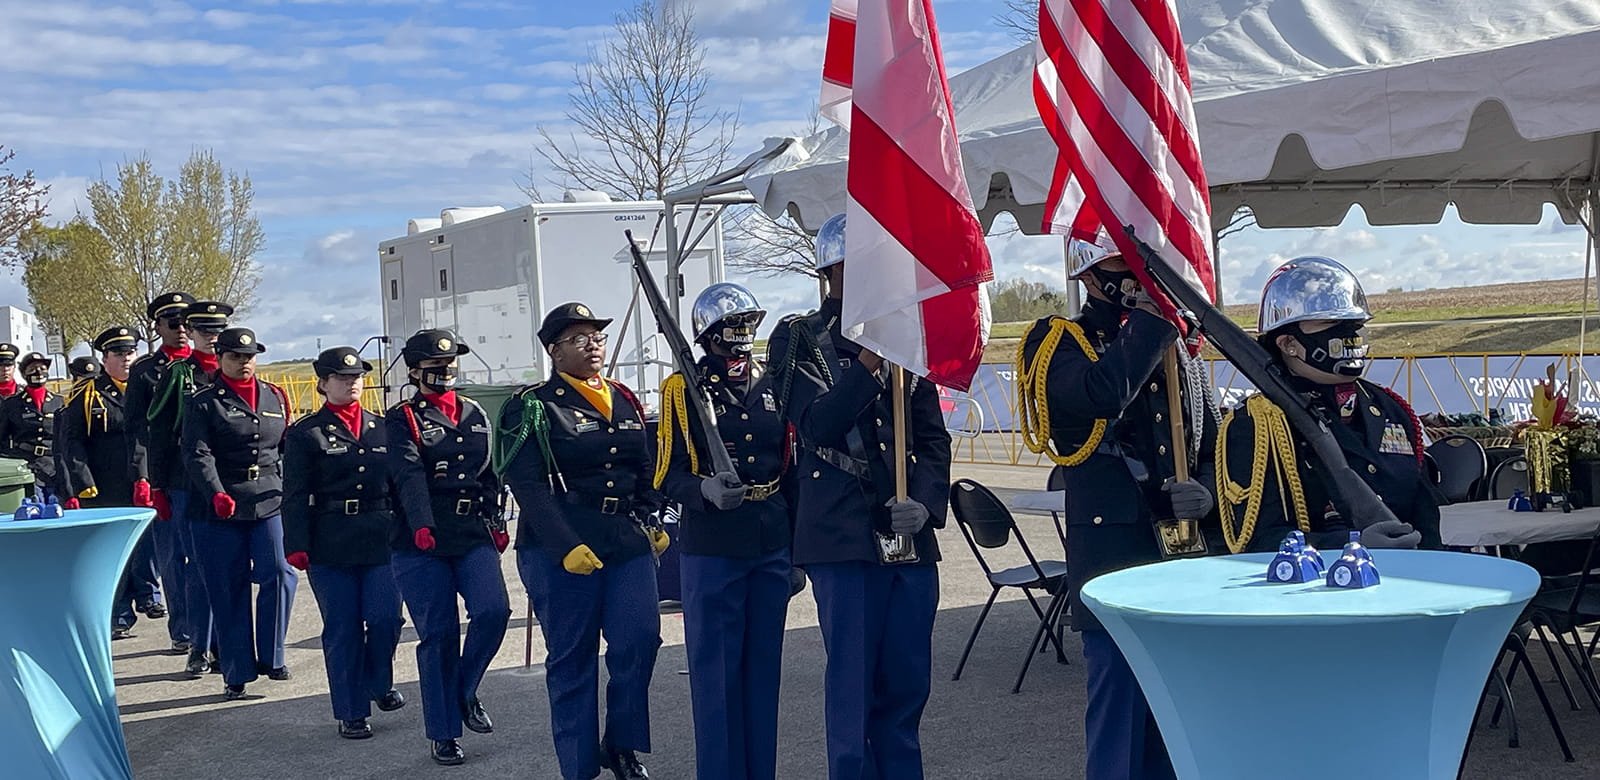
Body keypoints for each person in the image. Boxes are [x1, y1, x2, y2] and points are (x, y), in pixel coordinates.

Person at [1015, 240, 1220, 780]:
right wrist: (1152, 326)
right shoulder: (1061, 340)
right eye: (1121, 265)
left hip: (1179, 553)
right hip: (1114, 554)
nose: (1136, 275)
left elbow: (1209, 439)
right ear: (1087, 273)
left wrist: (1205, 490)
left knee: (1178, 717)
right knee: (1120, 720)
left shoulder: (1176, 347)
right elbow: (1102, 394)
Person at [765, 214, 950, 780]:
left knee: (907, 685)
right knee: (853, 689)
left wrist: (924, 501)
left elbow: (932, 438)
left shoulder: (906, 342)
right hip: (842, 537)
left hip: (907, 538)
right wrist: (870, 361)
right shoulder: (798, 338)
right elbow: (818, 424)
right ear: (834, 271)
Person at [499, 303, 666, 780]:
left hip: (624, 539)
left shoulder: (625, 398)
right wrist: (563, 544)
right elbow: (525, 483)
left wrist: (652, 516)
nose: (592, 344)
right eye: (578, 339)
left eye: (596, 336)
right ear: (554, 351)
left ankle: (622, 744)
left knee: (639, 641)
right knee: (572, 660)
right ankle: (577, 765)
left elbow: (644, 467)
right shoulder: (532, 405)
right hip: (561, 545)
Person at [653, 283, 793, 780]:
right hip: (712, 548)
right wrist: (703, 489)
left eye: (748, 330)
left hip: (769, 539)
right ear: (708, 337)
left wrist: (795, 550)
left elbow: (789, 466)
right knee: (716, 681)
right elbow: (665, 474)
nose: (742, 341)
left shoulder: (774, 381)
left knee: (762, 674)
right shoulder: (684, 390)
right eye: (731, 332)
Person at [1216, 256, 1437, 553]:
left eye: (1355, 323)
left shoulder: (1390, 409)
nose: (1350, 334)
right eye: (1332, 323)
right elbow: (1258, 541)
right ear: (1287, 343)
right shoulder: (1257, 424)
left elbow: (1426, 518)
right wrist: (1351, 544)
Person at [387, 328, 509, 766]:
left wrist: (496, 520)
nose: (446, 371)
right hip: (421, 537)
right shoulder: (403, 417)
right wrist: (420, 523)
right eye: (436, 367)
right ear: (416, 372)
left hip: (471, 529)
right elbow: (407, 475)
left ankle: (463, 689)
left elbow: (489, 472)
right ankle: (443, 732)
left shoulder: (474, 412)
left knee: (494, 611)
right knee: (438, 633)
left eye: (452, 363)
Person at [284, 346, 407, 740]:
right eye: (341, 377)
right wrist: (296, 542)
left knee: (387, 619)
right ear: (323, 384)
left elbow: (401, 486)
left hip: (381, 538)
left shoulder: (384, 427)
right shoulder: (306, 433)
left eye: (356, 376)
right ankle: (351, 711)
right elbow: (295, 493)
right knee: (343, 627)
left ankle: (378, 682)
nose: (352, 382)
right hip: (330, 541)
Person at [181, 327, 297, 700]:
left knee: (279, 572)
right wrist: (215, 492)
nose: (243, 363)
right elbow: (197, 453)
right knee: (227, 588)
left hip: (268, 500)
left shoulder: (275, 395)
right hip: (220, 508)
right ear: (221, 359)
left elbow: (284, 446)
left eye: (249, 356)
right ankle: (235, 670)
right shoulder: (203, 402)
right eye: (235, 356)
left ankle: (273, 656)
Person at [61, 327, 163, 638]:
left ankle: (149, 595)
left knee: (146, 544)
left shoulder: (147, 388)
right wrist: (81, 482)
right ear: (105, 360)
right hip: (103, 484)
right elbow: (72, 441)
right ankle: (120, 612)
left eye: (130, 352)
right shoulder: (87, 394)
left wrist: (151, 476)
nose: (126, 359)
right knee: (113, 551)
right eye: (118, 354)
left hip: (142, 479)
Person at [1, 351, 65, 502]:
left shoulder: (58, 401)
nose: (38, 372)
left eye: (43, 368)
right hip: (27, 465)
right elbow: (2, 439)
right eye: (32, 369)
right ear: (24, 374)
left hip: (54, 467)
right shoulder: (12, 404)